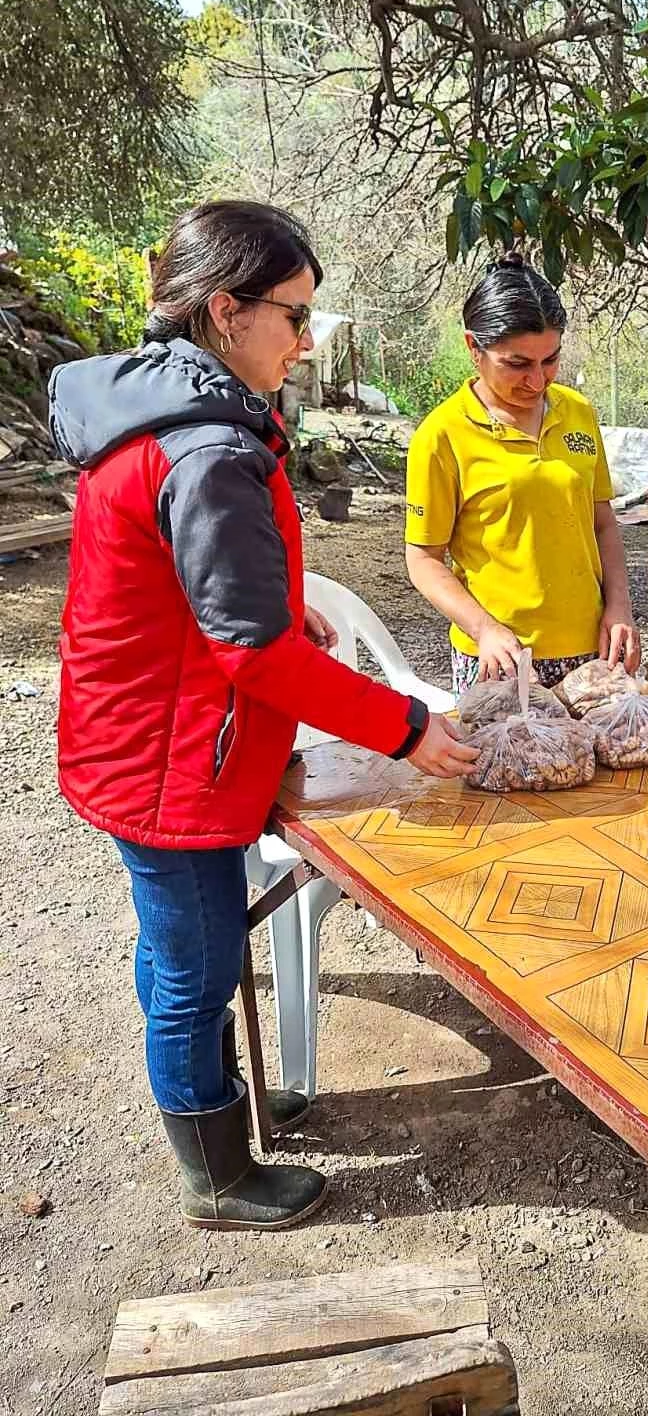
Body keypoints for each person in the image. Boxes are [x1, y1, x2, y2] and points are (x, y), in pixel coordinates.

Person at [49, 199, 477, 1233]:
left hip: (148, 729)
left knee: (182, 948)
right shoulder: (202, 444)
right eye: (294, 316)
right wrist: (407, 727)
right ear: (227, 311)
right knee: (193, 964)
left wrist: (283, 619)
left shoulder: (173, 410)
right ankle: (218, 1174)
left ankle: (223, 1116)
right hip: (166, 755)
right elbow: (248, 649)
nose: (304, 340)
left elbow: (212, 602)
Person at [405, 252, 640, 693]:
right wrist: (484, 628)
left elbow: (602, 523)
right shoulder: (441, 435)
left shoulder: (578, 413)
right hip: (502, 661)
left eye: (549, 360)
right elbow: (422, 560)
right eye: (517, 365)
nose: (537, 381)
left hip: (592, 650)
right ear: (473, 347)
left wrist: (620, 608)